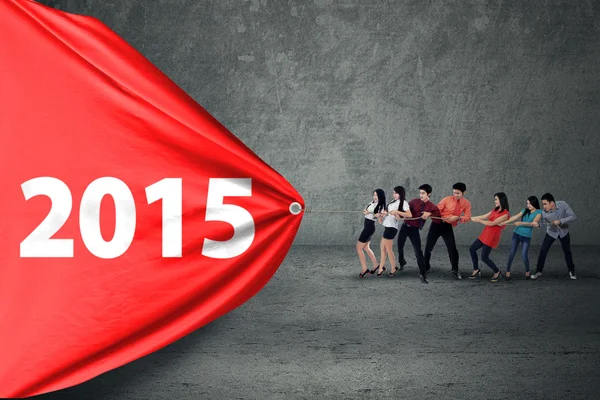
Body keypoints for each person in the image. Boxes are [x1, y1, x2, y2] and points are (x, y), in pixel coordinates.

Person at [424, 182, 472, 280]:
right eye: (454, 192)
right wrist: (429, 213)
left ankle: (455, 269)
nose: (455, 195)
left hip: (447, 227)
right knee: (428, 247)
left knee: (452, 248)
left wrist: (458, 218)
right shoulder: (446, 199)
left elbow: (468, 217)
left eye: (458, 193)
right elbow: (437, 210)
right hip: (437, 224)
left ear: (464, 193)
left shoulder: (466, 203)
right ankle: (425, 266)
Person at [397, 184, 441, 283]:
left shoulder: (431, 206)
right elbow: (404, 210)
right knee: (399, 246)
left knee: (418, 252)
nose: (421, 195)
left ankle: (422, 273)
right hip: (405, 227)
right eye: (420, 193)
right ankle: (402, 262)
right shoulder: (413, 201)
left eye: (423, 193)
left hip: (414, 230)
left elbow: (438, 217)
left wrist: (430, 214)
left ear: (429, 194)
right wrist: (397, 213)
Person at [530, 193, 577, 280]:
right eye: (543, 204)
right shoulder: (544, 213)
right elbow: (542, 225)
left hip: (564, 232)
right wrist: (538, 225)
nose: (543, 206)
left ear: (552, 203)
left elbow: (573, 216)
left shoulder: (563, 204)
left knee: (567, 252)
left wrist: (560, 221)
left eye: (545, 204)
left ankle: (571, 270)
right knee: (543, 251)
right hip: (551, 233)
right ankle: (538, 271)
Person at [469, 193, 510, 282]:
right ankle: (476, 270)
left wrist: (479, 221)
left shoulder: (505, 214)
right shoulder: (495, 210)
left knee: (484, 257)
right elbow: (484, 216)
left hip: (492, 236)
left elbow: (492, 223)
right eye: (495, 199)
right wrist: (469, 218)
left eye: (496, 199)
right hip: (485, 233)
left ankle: (497, 271)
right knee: (472, 249)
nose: (494, 201)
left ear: (501, 200)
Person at [499, 196, 542, 280]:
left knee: (524, 255)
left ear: (534, 203)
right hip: (517, 233)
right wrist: (503, 222)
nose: (528, 205)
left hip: (526, 236)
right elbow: (514, 217)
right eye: (527, 203)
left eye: (529, 203)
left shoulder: (539, 212)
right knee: (512, 252)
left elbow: (534, 223)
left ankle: (527, 271)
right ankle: (508, 271)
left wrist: (521, 223)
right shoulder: (525, 210)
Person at [372, 186, 411, 276]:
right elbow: (384, 217)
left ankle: (389, 268)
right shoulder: (392, 202)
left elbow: (409, 214)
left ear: (401, 193)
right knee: (383, 248)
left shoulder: (403, 202)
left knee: (388, 250)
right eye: (393, 193)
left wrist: (397, 212)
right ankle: (384, 267)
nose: (394, 194)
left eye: (396, 193)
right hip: (387, 227)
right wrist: (381, 215)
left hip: (392, 228)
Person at [357, 189, 386, 278]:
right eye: (374, 195)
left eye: (376, 195)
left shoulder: (381, 206)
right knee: (366, 247)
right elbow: (366, 212)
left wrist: (379, 215)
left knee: (359, 248)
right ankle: (376, 265)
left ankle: (364, 268)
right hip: (367, 226)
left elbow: (380, 221)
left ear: (380, 196)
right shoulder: (371, 202)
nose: (374, 197)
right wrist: (366, 211)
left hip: (369, 227)